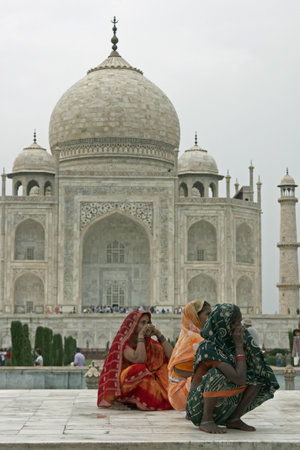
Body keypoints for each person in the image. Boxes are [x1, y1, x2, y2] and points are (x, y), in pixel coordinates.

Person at [186, 303, 279, 434]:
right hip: (197, 408)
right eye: (237, 322)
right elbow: (239, 378)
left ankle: (234, 419)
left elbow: (256, 366)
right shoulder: (208, 347)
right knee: (217, 375)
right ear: (226, 325)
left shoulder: (227, 344)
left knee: (258, 377)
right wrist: (239, 346)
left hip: (222, 405)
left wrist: (244, 345)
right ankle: (206, 420)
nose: (241, 326)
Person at [97, 310, 173, 410]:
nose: (147, 326)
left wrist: (159, 335)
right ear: (134, 325)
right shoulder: (122, 344)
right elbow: (139, 359)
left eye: (148, 323)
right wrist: (140, 336)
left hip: (145, 382)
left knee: (166, 369)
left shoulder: (150, 343)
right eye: (143, 323)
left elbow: (172, 357)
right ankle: (127, 399)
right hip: (125, 385)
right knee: (139, 369)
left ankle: (153, 399)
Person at [168, 300, 211, 410]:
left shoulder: (188, 334)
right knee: (215, 378)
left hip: (176, 392)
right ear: (195, 316)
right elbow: (178, 370)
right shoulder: (194, 337)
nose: (210, 318)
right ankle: (204, 417)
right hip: (180, 392)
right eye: (207, 314)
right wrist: (205, 373)